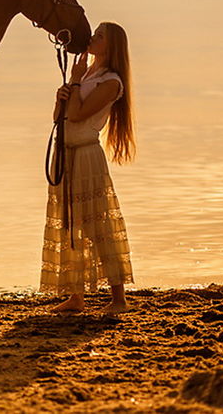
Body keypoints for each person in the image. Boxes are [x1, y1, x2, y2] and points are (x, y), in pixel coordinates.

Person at [40, 21, 136, 314]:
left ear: (111, 45)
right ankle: (76, 295)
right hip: (65, 152)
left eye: (99, 36)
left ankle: (118, 298)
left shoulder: (111, 82)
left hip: (85, 155)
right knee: (69, 223)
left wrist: (76, 81)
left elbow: (80, 114)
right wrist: (65, 91)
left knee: (98, 224)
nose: (91, 37)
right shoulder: (89, 74)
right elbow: (61, 116)